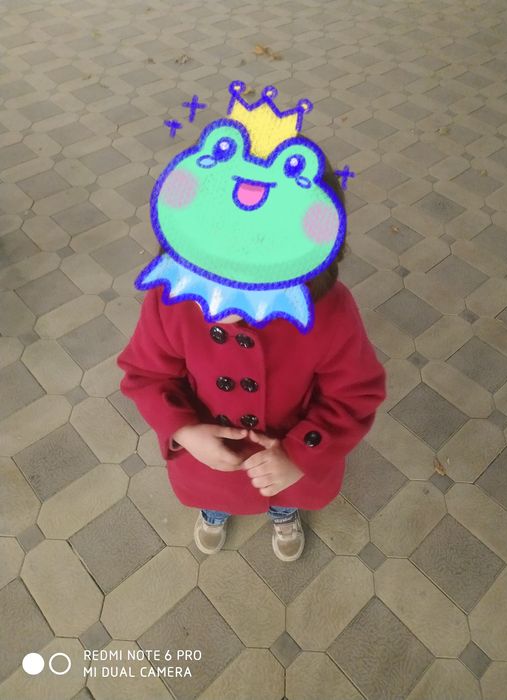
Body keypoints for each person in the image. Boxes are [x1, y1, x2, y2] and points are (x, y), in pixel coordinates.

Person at [117, 152, 386, 563]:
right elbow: (145, 374)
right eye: (208, 268)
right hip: (207, 462)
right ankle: (213, 512)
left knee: (283, 494)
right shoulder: (170, 300)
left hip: (290, 454)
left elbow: (355, 393)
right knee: (215, 496)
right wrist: (184, 430)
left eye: (248, 278)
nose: (220, 302)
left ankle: (283, 513)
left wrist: (299, 456)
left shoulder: (329, 311)